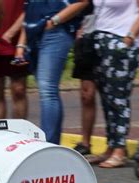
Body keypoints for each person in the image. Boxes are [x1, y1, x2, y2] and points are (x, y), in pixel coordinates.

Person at [90, 0, 139, 168]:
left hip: (122, 41)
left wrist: (129, 38)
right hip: (101, 40)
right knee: (106, 99)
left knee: (119, 98)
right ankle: (111, 146)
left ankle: (120, 150)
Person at [17, 0, 89, 144]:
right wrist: (21, 44)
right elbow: (30, 12)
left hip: (56, 32)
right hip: (35, 34)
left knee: (47, 90)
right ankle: (53, 142)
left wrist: (54, 21)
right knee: (48, 90)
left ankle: (47, 142)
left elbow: (82, 2)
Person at [0, 0, 29, 120]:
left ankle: (20, 133)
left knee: (18, 88)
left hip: (18, 38)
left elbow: (32, 6)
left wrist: (11, 32)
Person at [72, 2, 96, 156]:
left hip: (110, 37)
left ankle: (115, 143)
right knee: (87, 96)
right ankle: (85, 143)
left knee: (111, 98)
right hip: (87, 39)